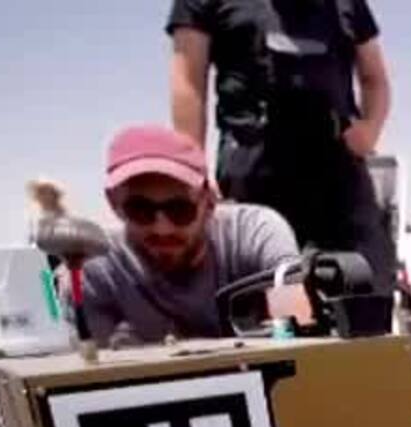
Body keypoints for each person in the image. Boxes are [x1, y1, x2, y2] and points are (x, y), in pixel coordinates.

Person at [167, 0, 397, 292]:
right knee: (262, 301)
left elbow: (374, 77)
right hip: (254, 174)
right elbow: (188, 79)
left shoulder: (347, 4)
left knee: (365, 295)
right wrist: (192, 167)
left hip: (338, 173)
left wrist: (370, 129)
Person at [81, 125, 301, 346]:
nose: (162, 228)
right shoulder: (97, 264)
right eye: (141, 210)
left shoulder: (255, 233)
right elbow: (94, 364)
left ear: (209, 201)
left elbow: (299, 335)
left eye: (180, 209)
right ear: (113, 202)